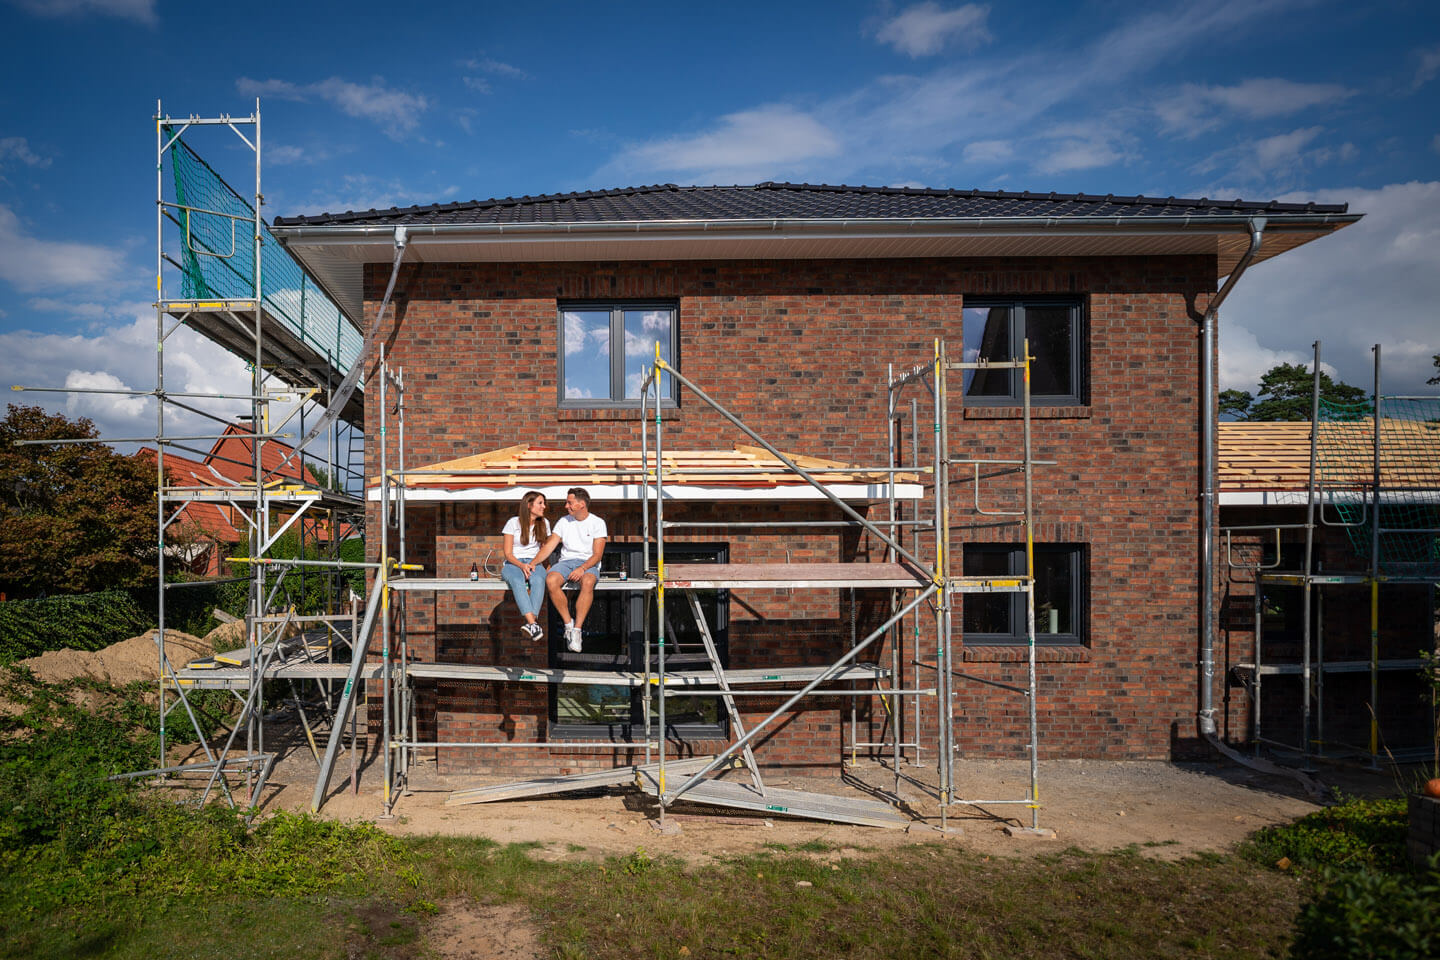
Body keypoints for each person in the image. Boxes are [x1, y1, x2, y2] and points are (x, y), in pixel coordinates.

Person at [535, 487, 607, 652]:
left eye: (569, 503)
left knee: (588, 582)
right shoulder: (563, 521)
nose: (566, 506)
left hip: (588, 562)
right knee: (551, 580)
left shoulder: (597, 523)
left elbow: (597, 555)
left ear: (582, 504)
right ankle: (568, 624)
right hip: (566, 562)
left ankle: (577, 631)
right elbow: (549, 547)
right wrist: (533, 563)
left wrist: (582, 568)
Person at [501, 491, 550, 641]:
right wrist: (522, 566)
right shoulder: (512, 523)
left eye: (544, 503)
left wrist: (541, 567)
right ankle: (533, 623)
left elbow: (544, 550)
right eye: (540, 503)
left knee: (538, 580)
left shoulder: (545, 523)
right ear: (529, 505)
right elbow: (508, 553)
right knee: (517, 581)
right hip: (513, 563)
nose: (544, 506)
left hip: (535, 562)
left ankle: (531, 625)